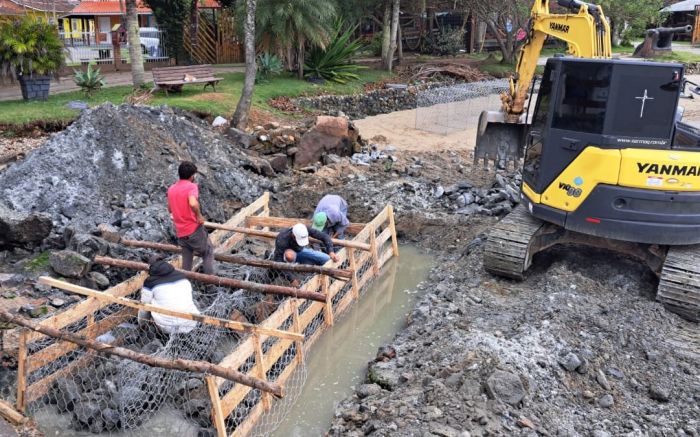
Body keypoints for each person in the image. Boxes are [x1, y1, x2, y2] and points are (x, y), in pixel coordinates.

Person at [167, 161, 214, 274]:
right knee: (208, 252)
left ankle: (184, 285)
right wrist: (199, 216)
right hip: (193, 230)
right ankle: (211, 285)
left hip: (180, 232)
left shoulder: (171, 188)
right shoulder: (191, 187)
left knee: (187, 260)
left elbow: (169, 209)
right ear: (192, 176)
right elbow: (193, 203)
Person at [139, 260, 200, 335]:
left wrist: (142, 324)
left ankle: (159, 333)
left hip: (167, 327)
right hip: (190, 323)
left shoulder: (150, 283)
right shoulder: (183, 277)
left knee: (150, 301)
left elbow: (144, 306)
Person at [273, 223, 339, 287]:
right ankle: (291, 266)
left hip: (300, 251)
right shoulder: (282, 239)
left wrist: (331, 252)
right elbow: (278, 261)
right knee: (288, 256)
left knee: (326, 259)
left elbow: (324, 236)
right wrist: (291, 279)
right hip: (286, 255)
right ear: (293, 235)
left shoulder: (304, 229)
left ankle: (302, 264)